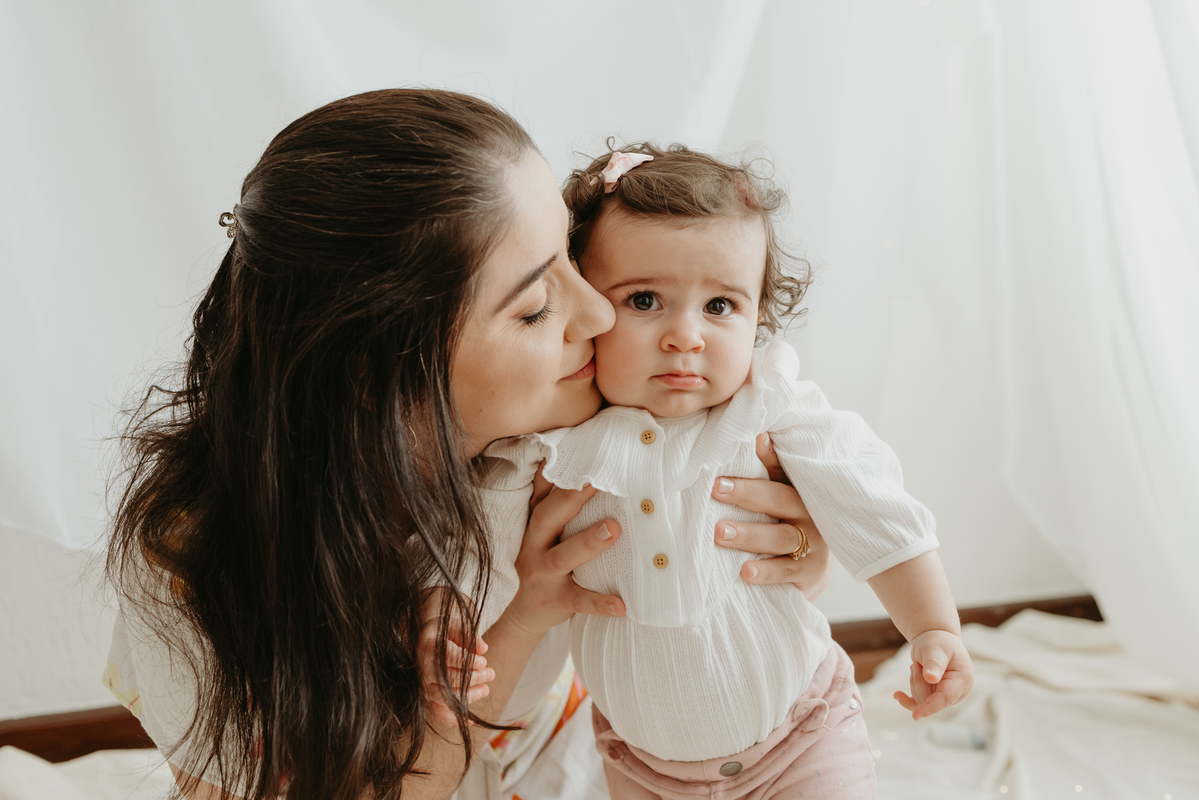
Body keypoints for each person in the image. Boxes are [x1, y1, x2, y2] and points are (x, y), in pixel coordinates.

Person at [102, 89, 835, 800]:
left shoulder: (571, 423)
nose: (602, 316)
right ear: (383, 377)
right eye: (537, 307)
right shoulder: (190, 569)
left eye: (574, 261)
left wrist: (802, 550)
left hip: (569, 758)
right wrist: (523, 617)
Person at [469, 145, 976, 799]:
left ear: (759, 317)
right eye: (646, 300)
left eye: (719, 307)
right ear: (586, 302)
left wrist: (933, 627)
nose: (687, 336)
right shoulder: (554, 445)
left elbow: (874, 506)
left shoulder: (768, 410)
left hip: (801, 736)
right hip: (642, 766)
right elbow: (482, 561)